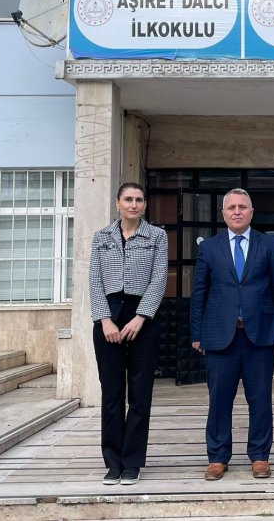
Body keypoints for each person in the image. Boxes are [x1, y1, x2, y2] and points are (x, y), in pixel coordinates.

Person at [191, 189, 274, 481]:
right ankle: (217, 457)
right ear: (223, 214)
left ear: (251, 212)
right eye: (231, 207)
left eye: (242, 207)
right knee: (219, 400)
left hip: (259, 335)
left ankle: (260, 456)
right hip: (220, 336)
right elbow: (199, 293)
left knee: (260, 399)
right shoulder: (209, 248)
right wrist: (197, 333)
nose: (237, 211)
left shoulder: (269, 245)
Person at [88, 182, 168, 486]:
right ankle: (113, 461)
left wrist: (141, 317)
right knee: (111, 394)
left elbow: (159, 278)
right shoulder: (101, 237)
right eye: (128, 199)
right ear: (117, 203)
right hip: (108, 315)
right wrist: (104, 319)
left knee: (139, 395)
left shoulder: (157, 236)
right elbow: (94, 279)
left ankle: (133, 462)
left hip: (142, 320)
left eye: (138, 200)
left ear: (145, 205)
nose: (133, 204)